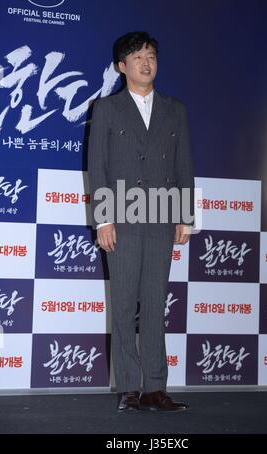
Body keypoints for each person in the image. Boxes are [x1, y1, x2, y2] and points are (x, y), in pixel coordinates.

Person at [88, 31, 194, 412]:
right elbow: (97, 167)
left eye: (150, 56)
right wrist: (103, 220)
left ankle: (155, 388)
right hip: (123, 219)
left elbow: (184, 166)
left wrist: (185, 217)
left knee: (154, 305)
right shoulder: (106, 109)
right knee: (123, 305)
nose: (145, 63)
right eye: (136, 57)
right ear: (122, 66)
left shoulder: (174, 109)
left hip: (163, 219)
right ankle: (129, 389)